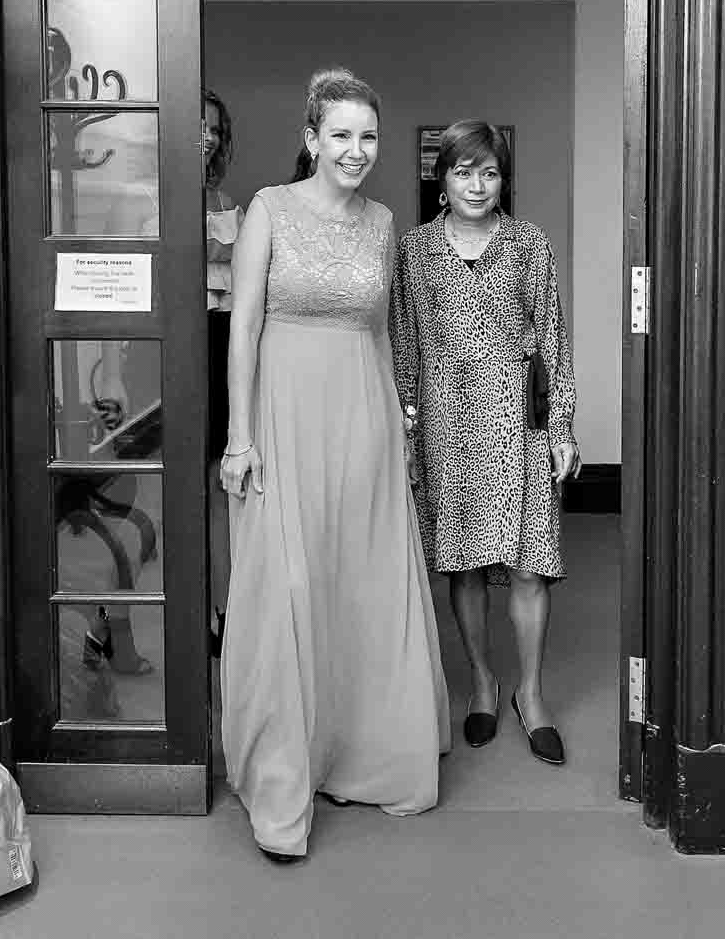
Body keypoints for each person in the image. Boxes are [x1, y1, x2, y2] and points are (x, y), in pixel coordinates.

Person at [219, 67, 449, 862]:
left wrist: (399, 426)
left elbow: (380, 331)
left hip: (364, 417)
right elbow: (242, 327)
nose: (356, 150)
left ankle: (360, 754)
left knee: (358, 582)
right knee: (288, 582)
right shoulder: (269, 210)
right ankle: (283, 773)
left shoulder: (385, 222)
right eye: (341, 135)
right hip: (282, 416)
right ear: (311, 139)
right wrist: (239, 438)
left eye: (368, 136)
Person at [391, 120, 580, 767]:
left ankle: (530, 692)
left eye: (490, 171)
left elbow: (552, 338)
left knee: (529, 565)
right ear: (441, 179)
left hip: (518, 426)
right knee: (465, 564)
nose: (477, 184)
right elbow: (406, 347)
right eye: (463, 171)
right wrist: (408, 431)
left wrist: (561, 427)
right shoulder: (414, 251)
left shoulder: (529, 243)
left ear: (505, 180)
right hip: (448, 428)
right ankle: (482, 682)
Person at [202, 90, 238, 653]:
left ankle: (223, 610)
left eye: (213, 129)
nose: (206, 136)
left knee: (217, 482)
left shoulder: (221, 196)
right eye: (197, 125)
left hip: (222, 339)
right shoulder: (151, 193)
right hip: (179, 342)